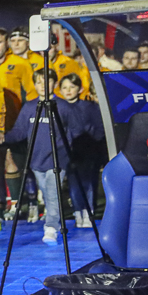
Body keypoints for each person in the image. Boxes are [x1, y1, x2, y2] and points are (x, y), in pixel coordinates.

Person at [6, 68, 74, 245]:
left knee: (53, 193)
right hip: (37, 161)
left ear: (55, 83)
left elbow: (74, 130)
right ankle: (55, 221)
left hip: (57, 160)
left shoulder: (63, 107)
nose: (43, 85)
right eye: (38, 82)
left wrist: (65, 151)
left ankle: (50, 228)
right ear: (34, 85)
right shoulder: (29, 107)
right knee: (47, 193)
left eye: (47, 81)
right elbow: (19, 132)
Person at [0, 27, 36, 225]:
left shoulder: (20, 63)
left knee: (12, 161)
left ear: (6, 43)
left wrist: (29, 118)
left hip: (14, 122)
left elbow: (32, 93)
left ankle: (18, 204)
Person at [59, 73, 104, 229]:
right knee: (74, 184)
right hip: (67, 153)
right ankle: (78, 212)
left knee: (89, 182)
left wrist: (92, 142)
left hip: (88, 151)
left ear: (80, 89)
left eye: (72, 87)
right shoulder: (58, 107)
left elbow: (99, 128)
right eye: (64, 87)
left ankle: (89, 212)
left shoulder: (90, 107)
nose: (68, 91)